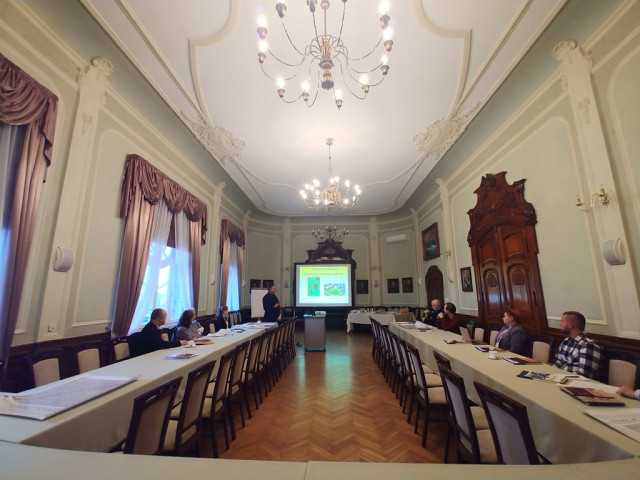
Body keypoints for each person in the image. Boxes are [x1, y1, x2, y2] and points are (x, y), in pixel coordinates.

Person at [552, 310, 602, 379]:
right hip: (559, 378)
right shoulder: (566, 341)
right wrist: (550, 373)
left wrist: (560, 378)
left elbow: (584, 374)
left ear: (570, 325)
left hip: (574, 382)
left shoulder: (588, 344)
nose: (560, 324)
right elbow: (558, 361)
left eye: (562, 321)